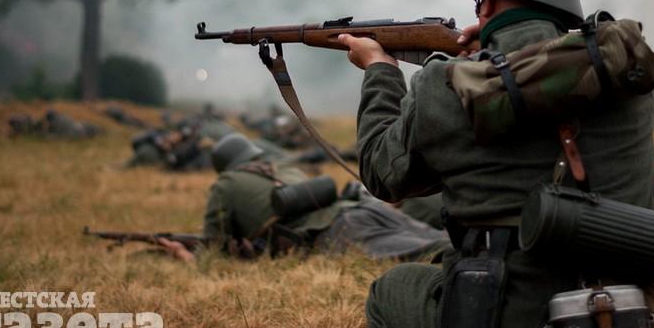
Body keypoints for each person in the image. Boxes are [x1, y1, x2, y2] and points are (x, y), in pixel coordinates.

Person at [337, 0, 654, 328]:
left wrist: (380, 70)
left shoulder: (444, 90)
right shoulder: (633, 79)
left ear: (488, 4)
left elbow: (381, 173)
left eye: (480, 1)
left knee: (390, 293)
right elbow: (562, 64)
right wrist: (499, 55)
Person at [160, 133, 449, 262]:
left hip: (335, 231)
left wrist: (182, 253)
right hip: (361, 209)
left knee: (432, 253)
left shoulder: (225, 184)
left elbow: (213, 248)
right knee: (444, 241)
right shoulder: (280, 167)